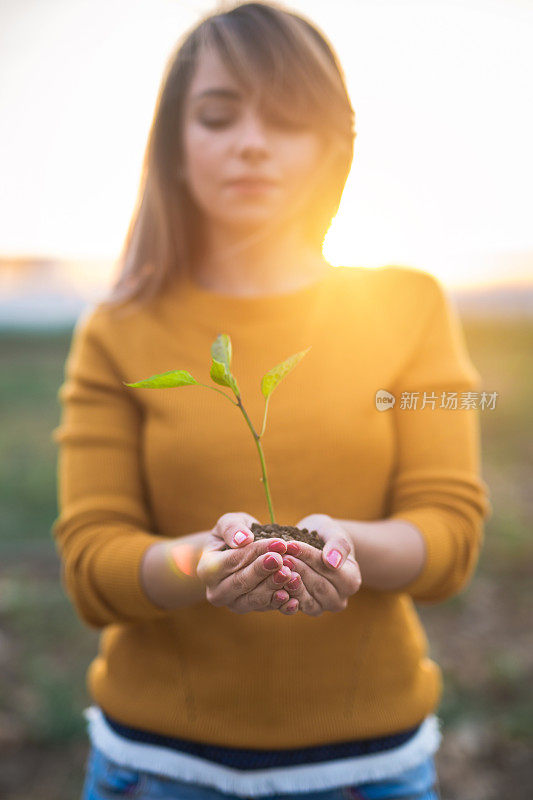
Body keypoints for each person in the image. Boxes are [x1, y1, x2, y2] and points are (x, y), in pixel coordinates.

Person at [51, 2, 492, 799]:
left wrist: (342, 546)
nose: (251, 142)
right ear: (174, 145)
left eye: (285, 119)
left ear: (332, 146)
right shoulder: (120, 331)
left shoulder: (410, 305)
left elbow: (449, 535)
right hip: (155, 769)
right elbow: (91, 564)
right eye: (218, 116)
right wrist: (205, 562)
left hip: (368, 770)